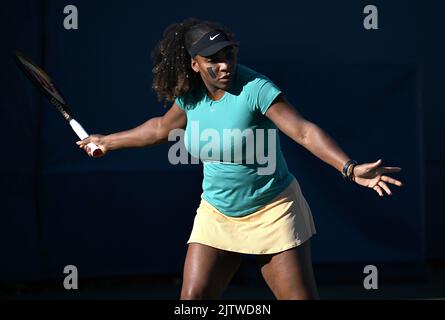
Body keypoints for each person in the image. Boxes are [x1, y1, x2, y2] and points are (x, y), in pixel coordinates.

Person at [77, 18, 403, 300]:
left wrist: (349, 168)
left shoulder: (256, 88)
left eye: (229, 55)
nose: (224, 65)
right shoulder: (189, 96)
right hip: (216, 212)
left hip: (273, 209)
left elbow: (303, 131)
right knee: (193, 298)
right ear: (194, 64)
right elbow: (161, 128)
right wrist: (108, 140)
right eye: (213, 59)